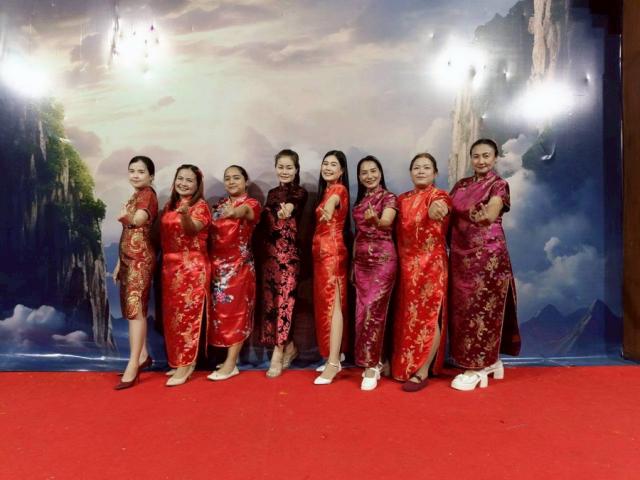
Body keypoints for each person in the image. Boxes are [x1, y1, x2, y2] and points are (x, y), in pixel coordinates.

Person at [448, 138, 520, 391]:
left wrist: (485, 217)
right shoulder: (461, 185)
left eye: (486, 156)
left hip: (488, 256)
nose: (481, 161)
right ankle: (491, 361)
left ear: (495, 158)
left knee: (482, 309)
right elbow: (448, 212)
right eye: (476, 156)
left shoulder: (499, 184)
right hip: (460, 255)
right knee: (462, 309)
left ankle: (477, 367)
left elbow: (492, 210)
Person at [392, 153, 452, 392]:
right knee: (407, 318)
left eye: (426, 167)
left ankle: (423, 370)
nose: (421, 171)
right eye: (416, 167)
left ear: (435, 173)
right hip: (406, 267)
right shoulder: (402, 200)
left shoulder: (439, 196)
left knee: (428, 316)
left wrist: (438, 209)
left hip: (431, 265)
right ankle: (405, 365)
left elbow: (441, 208)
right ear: (410, 172)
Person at [207, 165, 261, 381]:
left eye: (236, 178)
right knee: (220, 315)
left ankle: (231, 363)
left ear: (246, 181)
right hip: (217, 268)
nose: (231, 182)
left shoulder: (252, 204)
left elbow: (245, 212)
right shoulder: (218, 205)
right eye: (227, 178)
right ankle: (226, 359)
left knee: (237, 314)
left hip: (239, 267)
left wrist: (234, 212)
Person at [160, 165, 212, 387]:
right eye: (180, 178)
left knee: (188, 317)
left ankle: (186, 364)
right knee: (173, 318)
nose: (183, 183)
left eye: (189, 180)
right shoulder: (169, 205)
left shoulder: (200, 207)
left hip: (192, 268)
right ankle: (178, 360)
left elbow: (192, 230)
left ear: (197, 185)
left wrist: (184, 216)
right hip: (169, 268)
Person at [259, 150, 308, 378]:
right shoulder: (271, 193)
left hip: (289, 258)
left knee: (285, 304)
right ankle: (289, 347)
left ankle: (277, 354)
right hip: (269, 257)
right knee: (271, 306)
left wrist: (287, 209)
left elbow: (292, 205)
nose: (284, 171)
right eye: (281, 167)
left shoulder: (300, 192)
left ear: (296, 170)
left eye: (289, 167)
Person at [351, 156, 397, 391]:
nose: (369, 176)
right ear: (359, 177)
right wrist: (353, 265)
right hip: (361, 264)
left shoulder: (389, 198)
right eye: (364, 172)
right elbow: (357, 235)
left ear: (380, 172)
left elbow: (387, 222)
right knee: (361, 313)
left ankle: (372, 365)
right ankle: (376, 359)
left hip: (383, 261)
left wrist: (377, 220)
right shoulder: (360, 203)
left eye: (373, 171)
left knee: (373, 311)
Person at [114, 156, 158, 390]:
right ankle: (142, 356)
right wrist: (119, 264)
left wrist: (127, 219)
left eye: (141, 171)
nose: (135, 175)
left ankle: (133, 364)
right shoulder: (135, 195)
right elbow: (128, 233)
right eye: (132, 170)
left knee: (136, 310)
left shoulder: (147, 195)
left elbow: (138, 222)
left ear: (151, 176)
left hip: (140, 260)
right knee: (133, 310)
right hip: (129, 260)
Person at [312, 150, 350, 385]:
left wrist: (328, 206)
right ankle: (335, 354)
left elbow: (334, 201)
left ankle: (334, 362)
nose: (327, 168)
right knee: (326, 306)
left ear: (341, 170)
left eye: (333, 164)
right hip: (321, 253)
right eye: (325, 163)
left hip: (332, 253)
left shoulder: (338, 189)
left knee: (334, 305)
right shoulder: (326, 190)